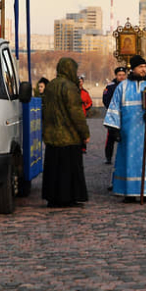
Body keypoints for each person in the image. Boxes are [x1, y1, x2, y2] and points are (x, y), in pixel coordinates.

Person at [103, 55, 146, 203]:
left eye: (145, 67)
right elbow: (114, 107)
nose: (144, 70)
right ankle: (129, 192)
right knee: (128, 161)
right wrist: (115, 130)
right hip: (129, 133)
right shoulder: (123, 86)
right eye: (141, 67)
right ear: (133, 69)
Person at [41, 57, 90, 208]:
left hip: (51, 135)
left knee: (53, 169)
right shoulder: (70, 87)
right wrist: (85, 133)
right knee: (68, 169)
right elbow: (76, 113)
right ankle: (68, 197)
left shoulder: (50, 86)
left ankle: (52, 197)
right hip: (69, 136)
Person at [102, 66, 127, 165]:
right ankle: (108, 157)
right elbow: (106, 99)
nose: (121, 77)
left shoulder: (128, 86)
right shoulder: (111, 86)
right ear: (116, 75)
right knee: (111, 138)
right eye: (119, 75)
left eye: (123, 75)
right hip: (114, 115)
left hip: (125, 115)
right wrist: (112, 110)